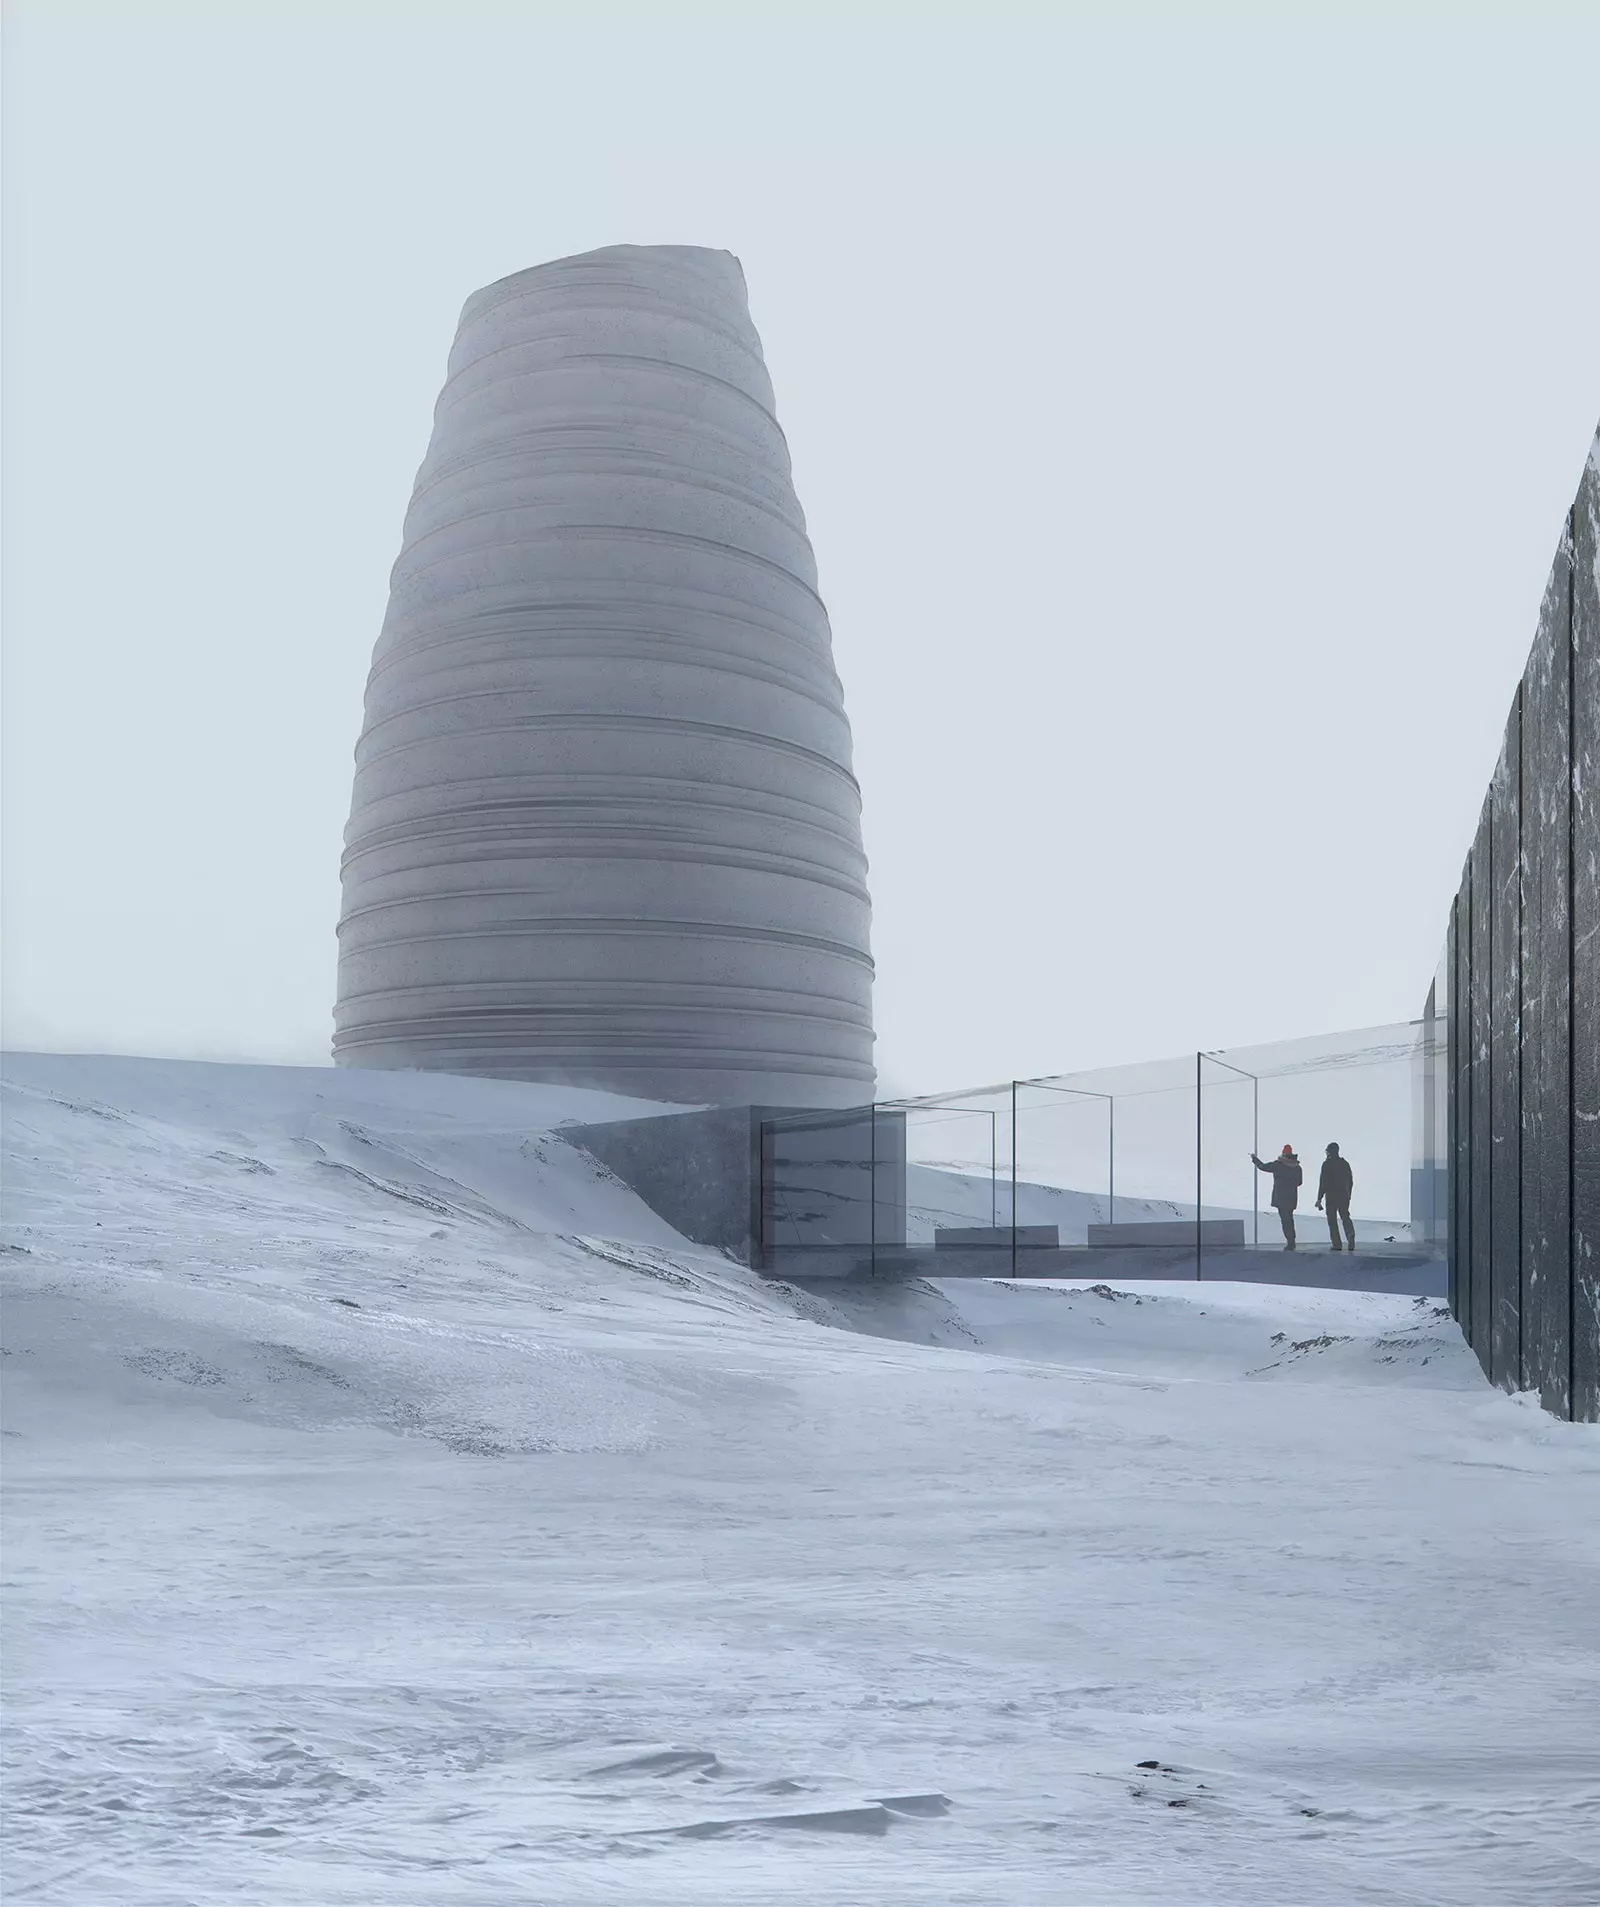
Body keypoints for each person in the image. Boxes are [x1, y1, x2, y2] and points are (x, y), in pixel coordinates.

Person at [1250, 1143, 1303, 1248]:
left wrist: (1254, 1159)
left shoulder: (1278, 1164)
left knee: (1285, 1219)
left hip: (1281, 1197)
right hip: (1292, 1197)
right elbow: (1299, 1182)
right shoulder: (1297, 1167)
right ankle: (1292, 1240)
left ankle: (1290, 1242)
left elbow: (1263, 1166)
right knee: (1290, 1219)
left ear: (1283, 1153)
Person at [1316, 1142, 1356, 1251]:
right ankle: (1350, 1234)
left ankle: (1337, 1244)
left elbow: (1322, 1182)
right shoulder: (1345, 1164)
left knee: (1332, 1220)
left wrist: (1319, 1198)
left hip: (1331, 1195)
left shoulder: (1326, 1164)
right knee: (1345, 1216)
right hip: (1344, 1195)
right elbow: (1350, 1181)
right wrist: (1349, 1195)